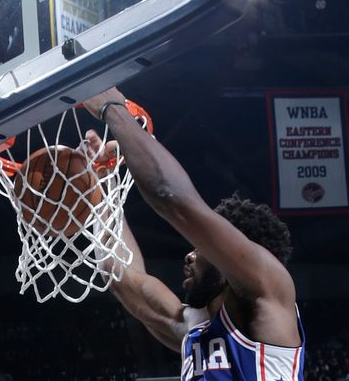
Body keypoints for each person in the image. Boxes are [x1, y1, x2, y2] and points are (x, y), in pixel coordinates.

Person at [82, 87, 305, 380]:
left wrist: (112, 107)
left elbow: (169, 195)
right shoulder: (192, 327)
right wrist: (104, 184)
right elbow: (117, 273)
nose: (189, 254)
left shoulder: (269, 287)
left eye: (201, 249)